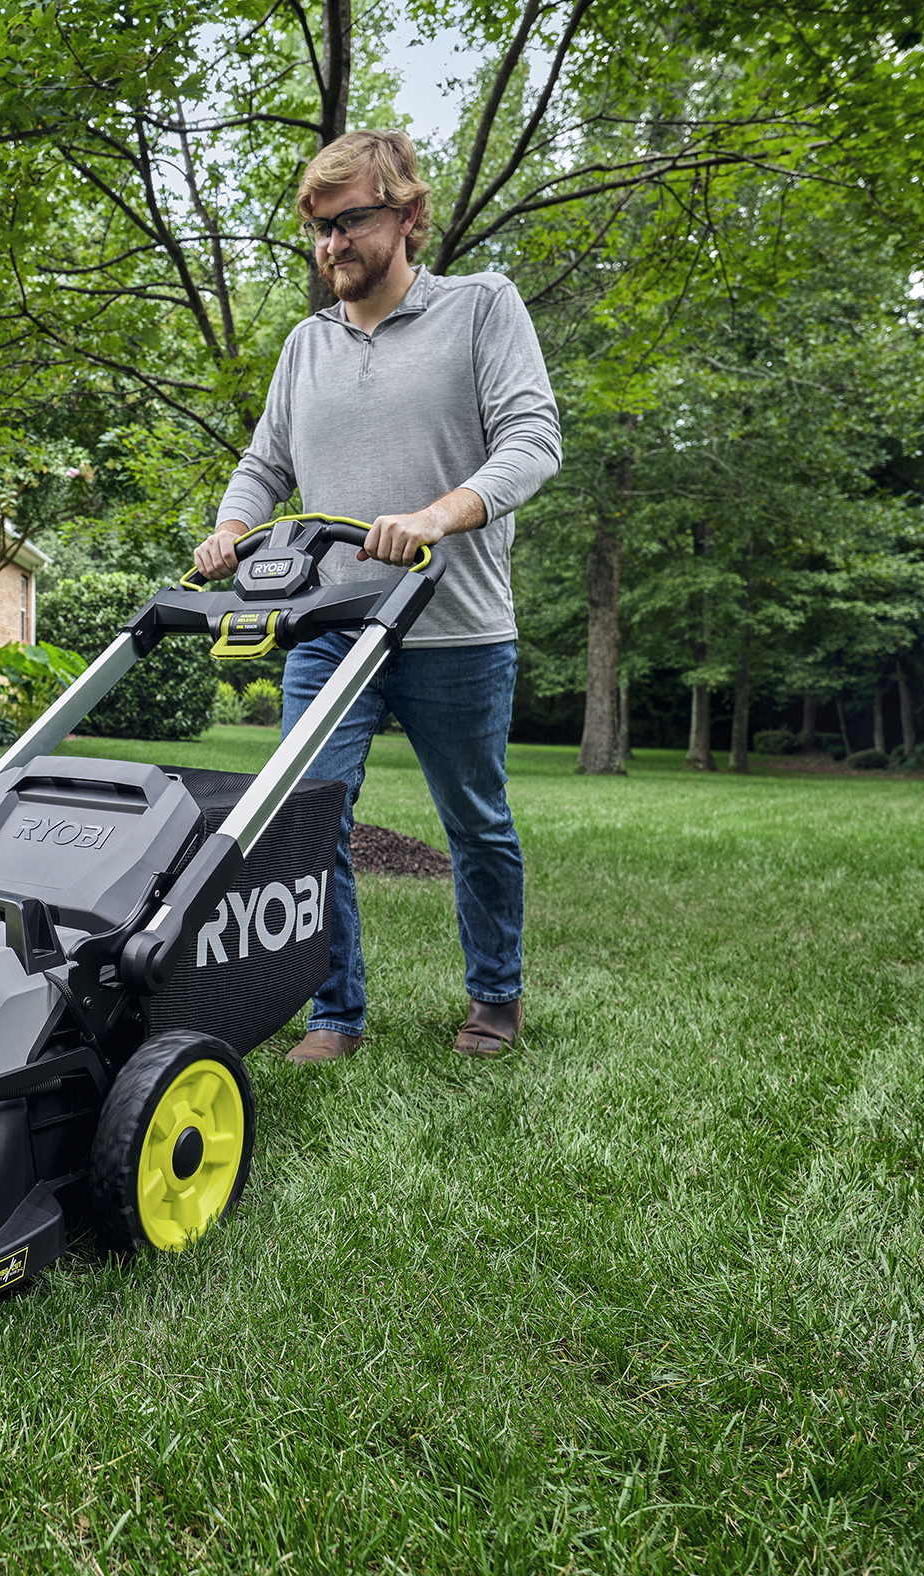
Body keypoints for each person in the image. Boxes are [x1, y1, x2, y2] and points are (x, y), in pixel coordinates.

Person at [197, 129, 562, 1062]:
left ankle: (494, 1002)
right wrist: (232, 528)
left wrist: (440, 515)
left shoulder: (481, 308)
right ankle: (334, 1012)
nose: (331, 248)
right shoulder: (305, 345)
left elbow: (532, 441)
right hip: (329, 625)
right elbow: (264, 461)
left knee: (476, 822)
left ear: (408, 214)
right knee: (306, 815)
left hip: (457, 626)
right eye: (318, 231)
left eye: (349, 222)